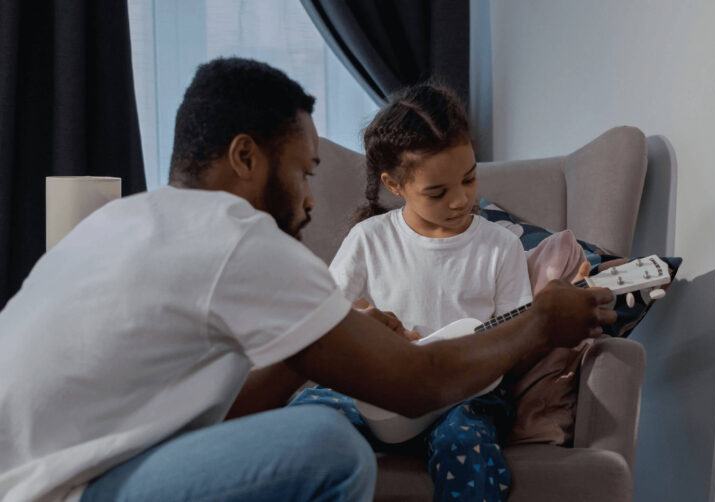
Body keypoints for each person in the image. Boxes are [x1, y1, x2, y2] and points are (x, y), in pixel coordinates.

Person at [0, 57, 616, 502]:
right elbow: (413, 384)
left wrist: (315, 348)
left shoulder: (121, 222)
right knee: (327, 444)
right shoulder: (237, 237)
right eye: (303, 173)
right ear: (246, 158)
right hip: (63, 489)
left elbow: (224, 416)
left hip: (35, 474)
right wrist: (540, 322)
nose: (310, 201)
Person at [290, 83, 532, 502]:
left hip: (464, 397)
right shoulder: (369, 239)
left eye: (469, 178)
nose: (460, 200)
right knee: (305, 419)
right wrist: (374, 336)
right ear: (395, 184)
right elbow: (324, 320)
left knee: (464, 441)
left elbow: (517, 340)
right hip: (376, 392)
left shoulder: (501, 246)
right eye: (437, 192)